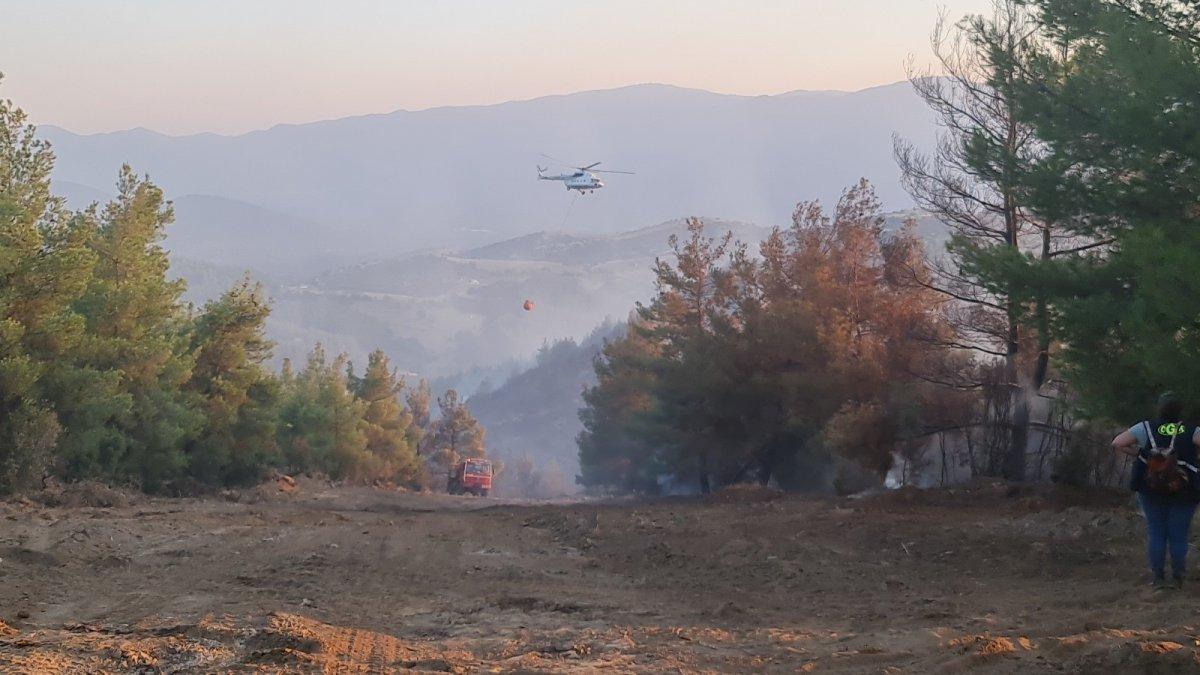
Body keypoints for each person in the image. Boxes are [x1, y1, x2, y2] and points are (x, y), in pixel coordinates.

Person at [1112, 392, 1200, 590]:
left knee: (1156, 532)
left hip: (1150, 488)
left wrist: (1140, 454)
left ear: (1159, 408)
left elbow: (1117, 443)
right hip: (1183, 490)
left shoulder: (1144, 427)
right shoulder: (1192, 430)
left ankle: (1158, 578)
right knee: (1178, 534)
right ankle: (1178, 577)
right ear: (1180, 411)